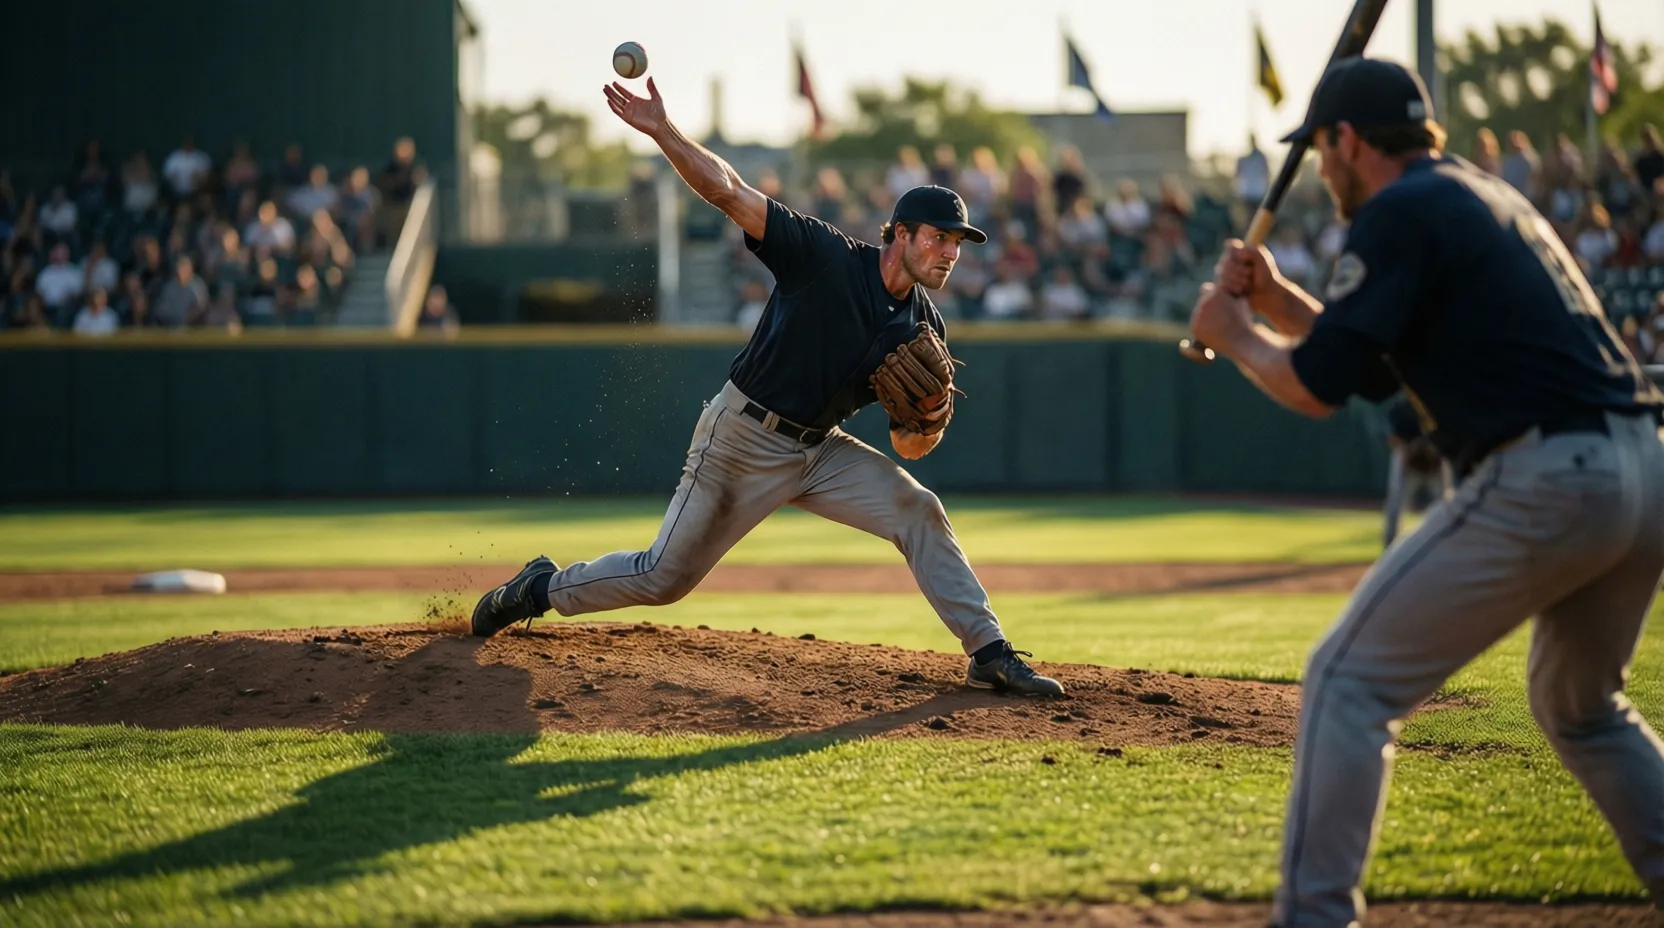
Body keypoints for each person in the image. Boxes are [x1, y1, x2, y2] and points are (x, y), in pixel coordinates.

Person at [1186, 57, 1664, 927]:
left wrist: (1236, 333)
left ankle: (1314, 916)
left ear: (1347, 140)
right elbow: (1364, 357)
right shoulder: (1474, 195)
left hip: (1552, 475)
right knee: (1582, 709)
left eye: (1322, 151)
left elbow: (1317, 390)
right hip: (1643, 469)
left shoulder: (1395, 212)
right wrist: (1281, 302)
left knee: (1345, 680)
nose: (1322, 168)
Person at [469, 76, 1063, 698]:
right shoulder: (826, 257)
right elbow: (730, 191)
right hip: (742, 436)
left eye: (957, 245)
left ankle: (989, 652)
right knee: (662, 578)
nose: (949, 254)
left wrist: (930, 419)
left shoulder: (925, 324)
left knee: (919, 508)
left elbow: (906, 445)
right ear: (901, 233)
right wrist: (662, 132)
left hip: (818, 453)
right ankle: (537, 587)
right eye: (939, 238)